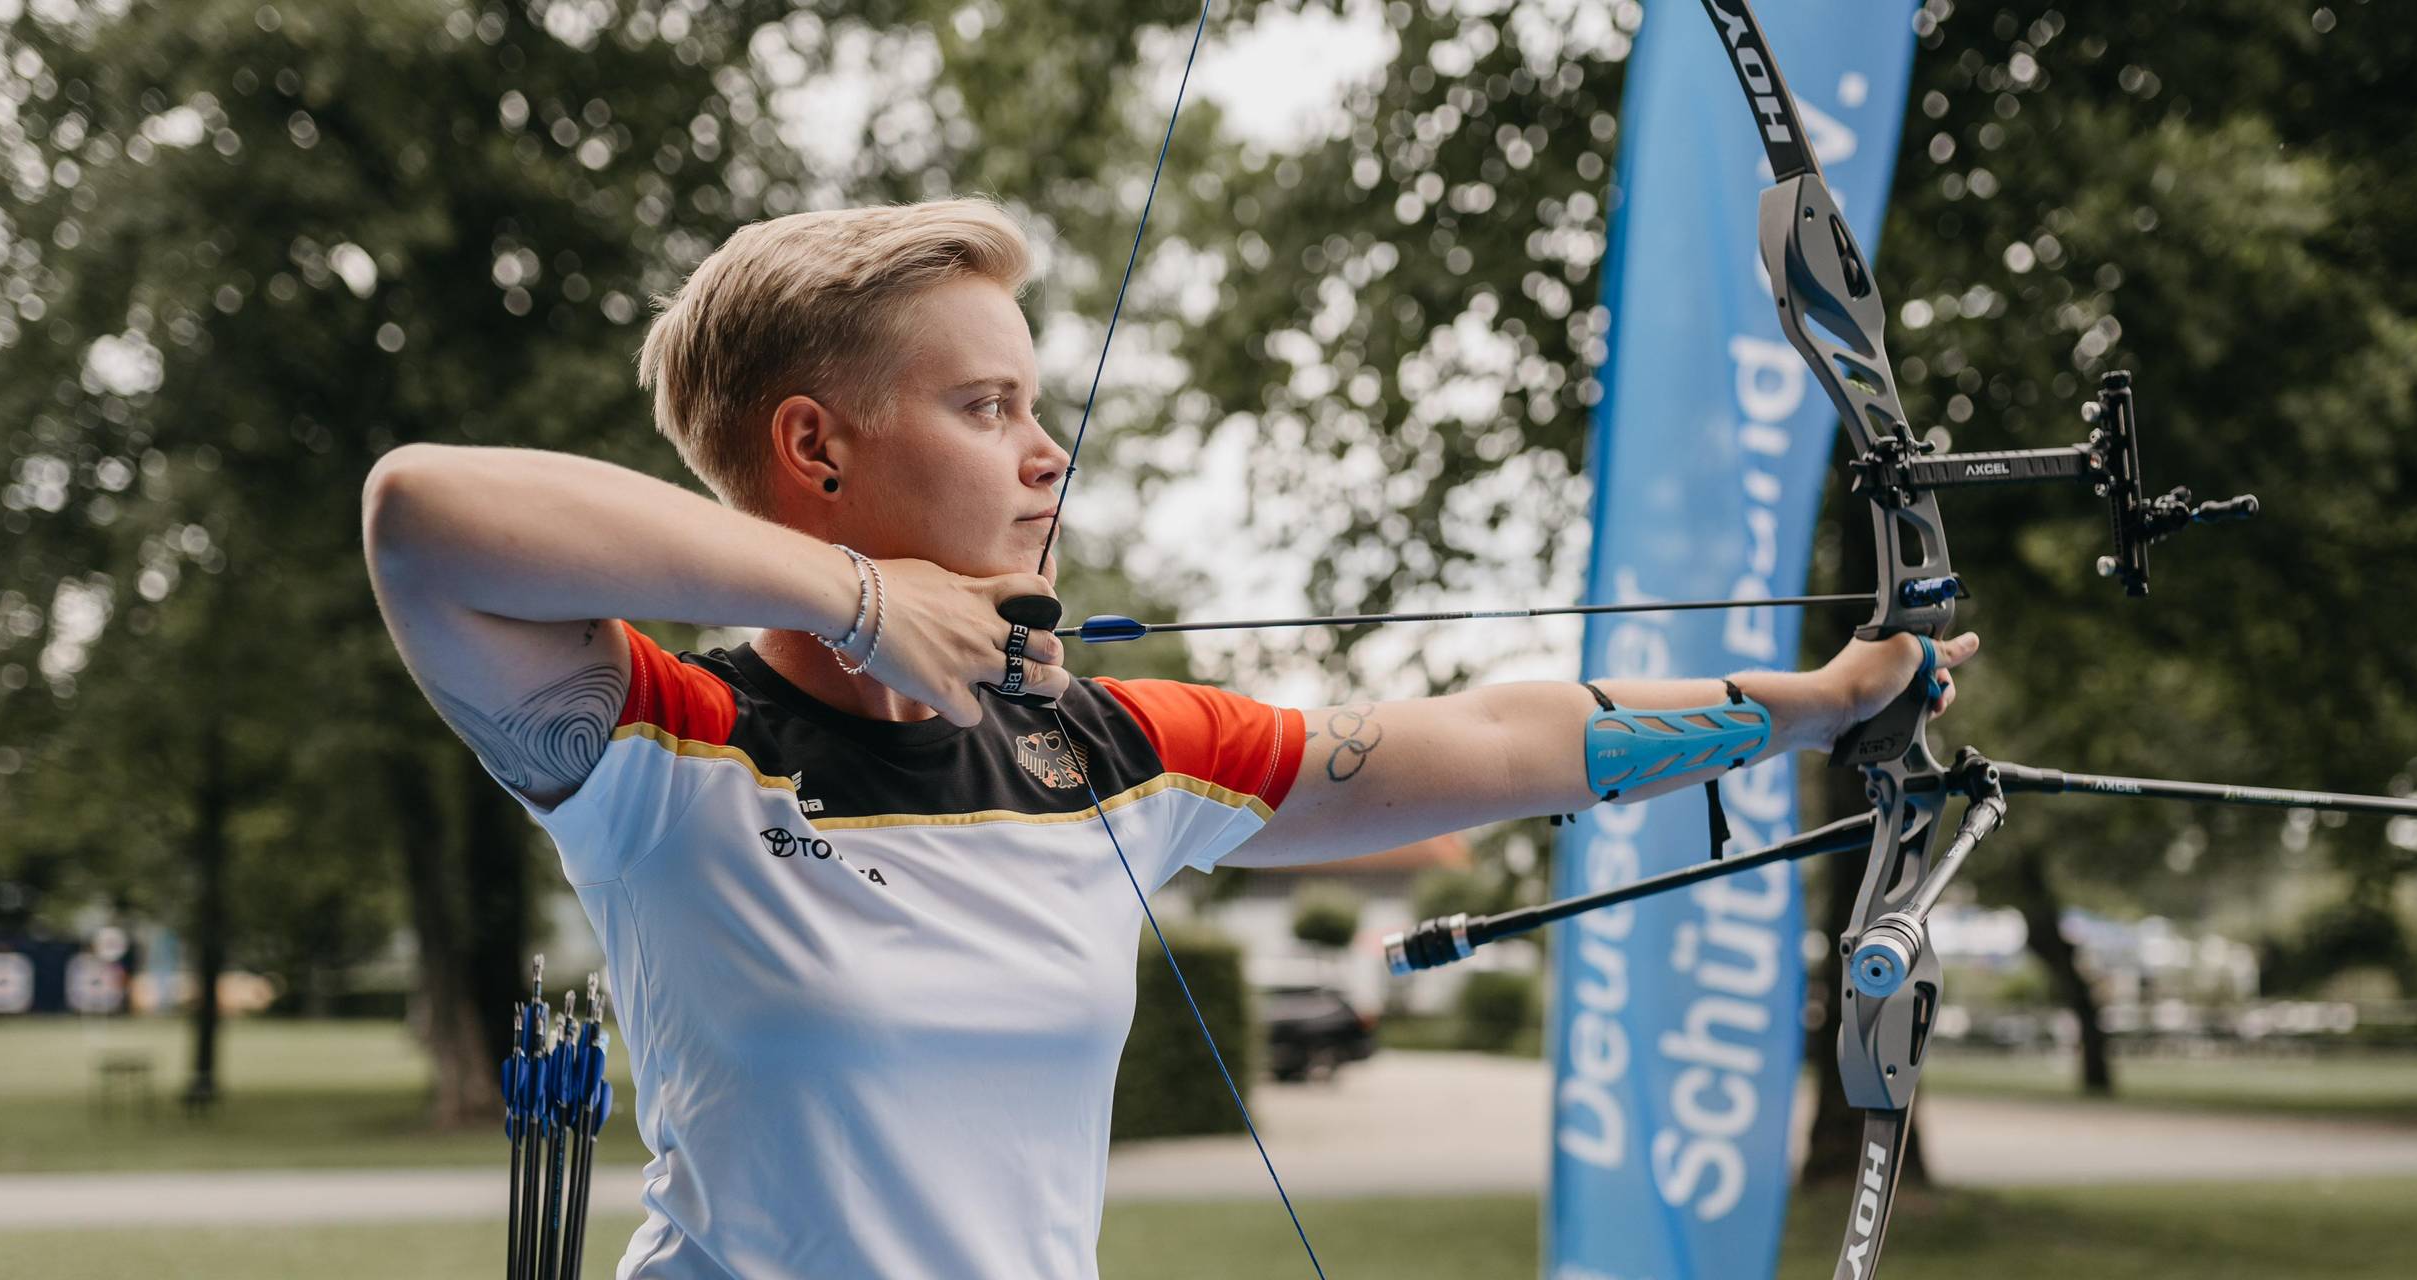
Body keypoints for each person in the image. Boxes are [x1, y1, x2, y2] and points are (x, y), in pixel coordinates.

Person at [357, 198, 1979, 1278]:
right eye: (987, 408)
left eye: (1035, 408)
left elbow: (1495, 739)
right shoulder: (673, 747)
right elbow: (423, 515)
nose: (1048, 456)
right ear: (814, 448)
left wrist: (1825, 705)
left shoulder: (1114, 752)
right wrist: (858, 602)